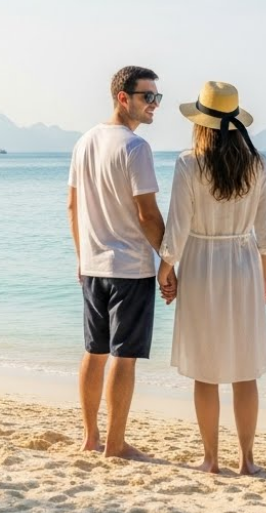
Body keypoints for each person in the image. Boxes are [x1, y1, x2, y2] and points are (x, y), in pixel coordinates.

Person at [159, 81, 266, 476]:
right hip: (243, 265)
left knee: (206, 370)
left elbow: (177, 227)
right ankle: (247, 461)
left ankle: (210, 459)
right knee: (244, 371)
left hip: (201, 266)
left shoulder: (189, 163)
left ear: (200, 123)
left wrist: (166, 269)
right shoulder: (258, 164)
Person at [68, 65, 165, 459]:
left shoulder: (84, 142)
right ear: (123, 98)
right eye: (148, 97)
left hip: (93, 267)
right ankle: (116, 444)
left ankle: (90, 437)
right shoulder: (134, 147)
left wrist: (81, 256)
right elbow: (147, 213)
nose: (154, 105)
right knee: (124, 358)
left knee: (94, 352)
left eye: (157, 97)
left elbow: (72, 205)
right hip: (130, 268)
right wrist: (171, 259)